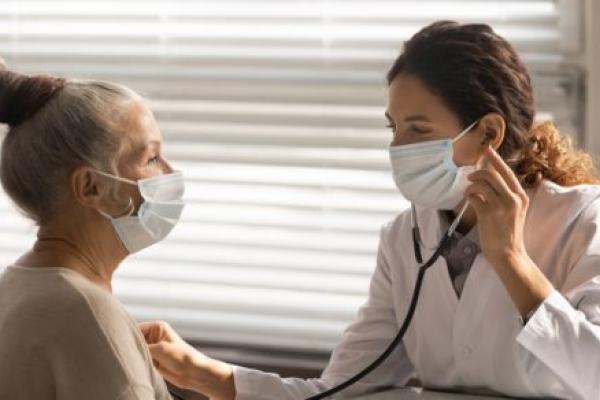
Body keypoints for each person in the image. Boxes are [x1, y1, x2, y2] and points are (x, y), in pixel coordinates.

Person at [139, 21, 600, 400]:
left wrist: (513, 262)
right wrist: (207, 375)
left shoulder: (582, 222)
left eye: (418, 129)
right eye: (393, 128)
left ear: (488, 134)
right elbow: (341, 391)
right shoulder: (406, 238)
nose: (398, 147)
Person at [0, 64, 183, 399]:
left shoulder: (14, 286)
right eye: (152, 157)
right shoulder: (89, 316)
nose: (170, 172)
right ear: (90, 186)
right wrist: (110, 343)